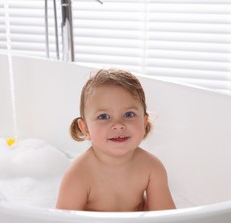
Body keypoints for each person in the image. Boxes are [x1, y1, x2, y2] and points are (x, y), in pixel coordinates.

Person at [56, 68, 176, 212]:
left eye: (129, 114)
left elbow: (166, 220)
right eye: (104, 116)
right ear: (86, 128)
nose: (118, 125)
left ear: (144, 122)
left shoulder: (152, 168)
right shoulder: (79, 175)